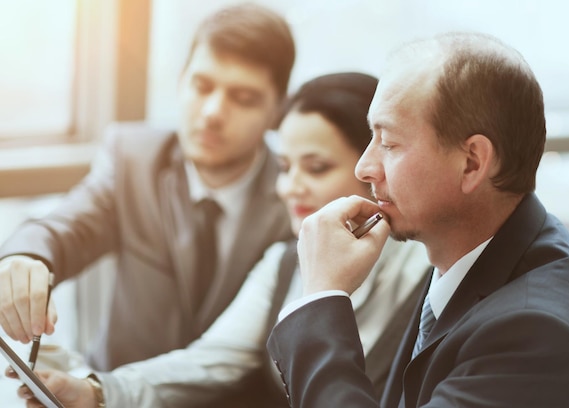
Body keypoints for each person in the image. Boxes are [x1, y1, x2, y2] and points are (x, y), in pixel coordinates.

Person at [8, 72, 431, 407]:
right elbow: (206, 364)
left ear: (373, 169)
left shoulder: (431, 276)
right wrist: (94, 392)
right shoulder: (283, 262)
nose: (289, 188)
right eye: (285, 167)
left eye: (316, 168)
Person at [265, 32, 569, 407]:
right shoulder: (465, 250)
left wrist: (322, 295)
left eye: (388, 144)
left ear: (471, 162)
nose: (365, 167)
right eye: (372, 137)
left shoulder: (538, 333)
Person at [0, 3, 295, 371]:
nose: (212, 112)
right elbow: (67, 227)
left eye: (243, 98)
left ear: (277, 111)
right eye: (201, 86)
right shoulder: (133, 159)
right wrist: (25, 257)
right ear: (181, 80)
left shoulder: (295, 196)